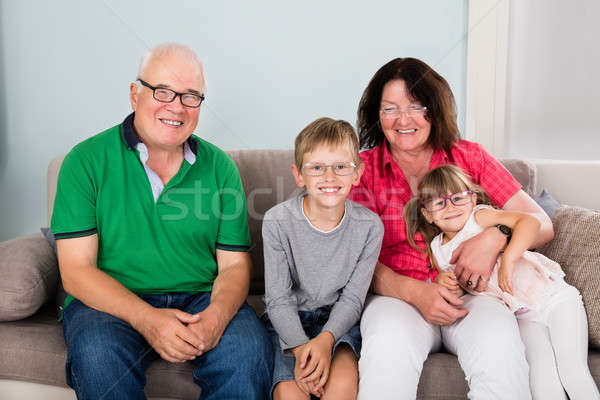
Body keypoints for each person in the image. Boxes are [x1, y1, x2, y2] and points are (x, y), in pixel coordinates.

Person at [51, 43, 272, 399]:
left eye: (190, 96)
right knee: (98, 355)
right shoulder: (84, 161)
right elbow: (76, 270)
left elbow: (234, 265)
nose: (177, 107)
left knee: (248, 352)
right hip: (111, 303)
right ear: (134, 94)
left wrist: (215, 318)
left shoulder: (220, 167)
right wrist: (147, 319)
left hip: (201, 298)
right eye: (163, 91)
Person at [349, 57, 556, 399]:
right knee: (386, 349)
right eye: (390, 109)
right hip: (398, 297)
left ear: (436, 109)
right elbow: (354, 259)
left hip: (475, 295)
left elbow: (542, 224)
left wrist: (495, 237)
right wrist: (414, 292)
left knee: (500, 348)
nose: (403, 119)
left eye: (416, 106)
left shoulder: (469, 157)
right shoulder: (362, 171)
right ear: (377, 115)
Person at [404, 164, 600, 400]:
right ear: (427, 214)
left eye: (458, 198)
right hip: (522, 314)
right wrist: (445, 282)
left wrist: (509, 257)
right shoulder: (438, 251)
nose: (451, 207)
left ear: (473, 198)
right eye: (439, 203)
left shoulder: (479, 217)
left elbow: (530, 223)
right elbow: (451, 284)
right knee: (541, 372)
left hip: (553, 298)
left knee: (571, 369)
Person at [262, 117, 384, 399]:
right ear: (299, 175)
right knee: (290, 393)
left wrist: (326, 342)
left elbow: (353, 299)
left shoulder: (370, 227)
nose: (329, 177)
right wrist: (303, 349)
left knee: (340, 388)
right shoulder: (277, 221)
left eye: (341, 167)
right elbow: (278, 300)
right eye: (317, 168)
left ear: (357, 173)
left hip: (338, 323)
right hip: (289, 322)